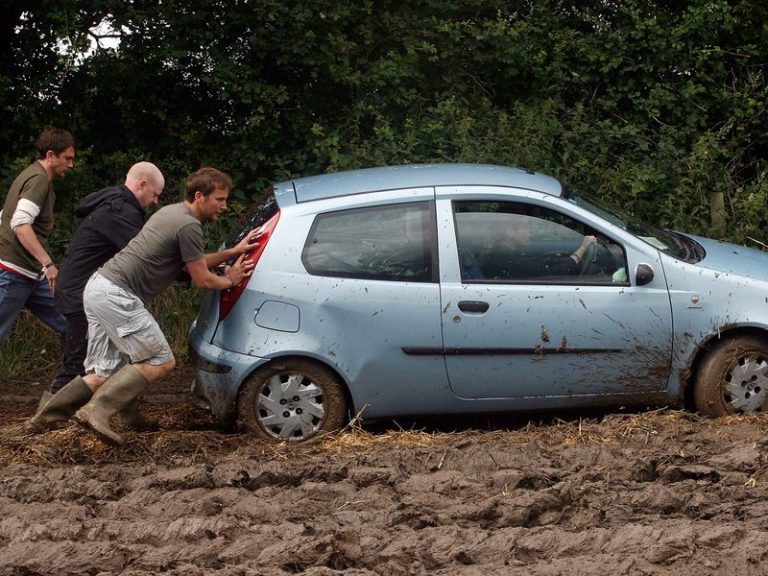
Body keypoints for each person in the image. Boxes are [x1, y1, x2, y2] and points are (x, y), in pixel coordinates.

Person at [27, 167, 260, 446]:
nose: (224, 206)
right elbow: (201, 278)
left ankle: (43, 420)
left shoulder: (173, 213)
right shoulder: (189, 226)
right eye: (219, 199)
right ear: (200, 196)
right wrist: (230, 279)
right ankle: (96, 411)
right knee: (160, 360)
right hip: (116, 294)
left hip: (98, 287)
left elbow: (194, 261)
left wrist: (232, 252)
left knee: (102, 372)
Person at [34, 162, 164, 424]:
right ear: (141, 185)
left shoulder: (116, 203)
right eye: (155, 194)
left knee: (123, 353)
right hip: (80, 293)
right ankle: (45, 418)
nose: (155, 201)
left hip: (84, 288)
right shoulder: (120, 213)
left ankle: (128, 415)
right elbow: (144, 254)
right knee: (77, 360)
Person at [0, 125, 75, 344]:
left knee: (72, 322)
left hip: (31, 274)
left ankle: (77, 374)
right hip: (13, 273)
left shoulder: (31, 175)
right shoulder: (38, 181)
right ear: (51, 155)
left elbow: (5, 214)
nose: (70, 164)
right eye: (67, 158)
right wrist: (48, 264)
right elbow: (21, 224)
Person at [474, 215, 597, 280]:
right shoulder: (509, 261)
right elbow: (555, 272)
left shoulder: (503, 253)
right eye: (525, 227)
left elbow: (539, 262)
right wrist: (582, 249)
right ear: (510, 232)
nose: (529, 232)